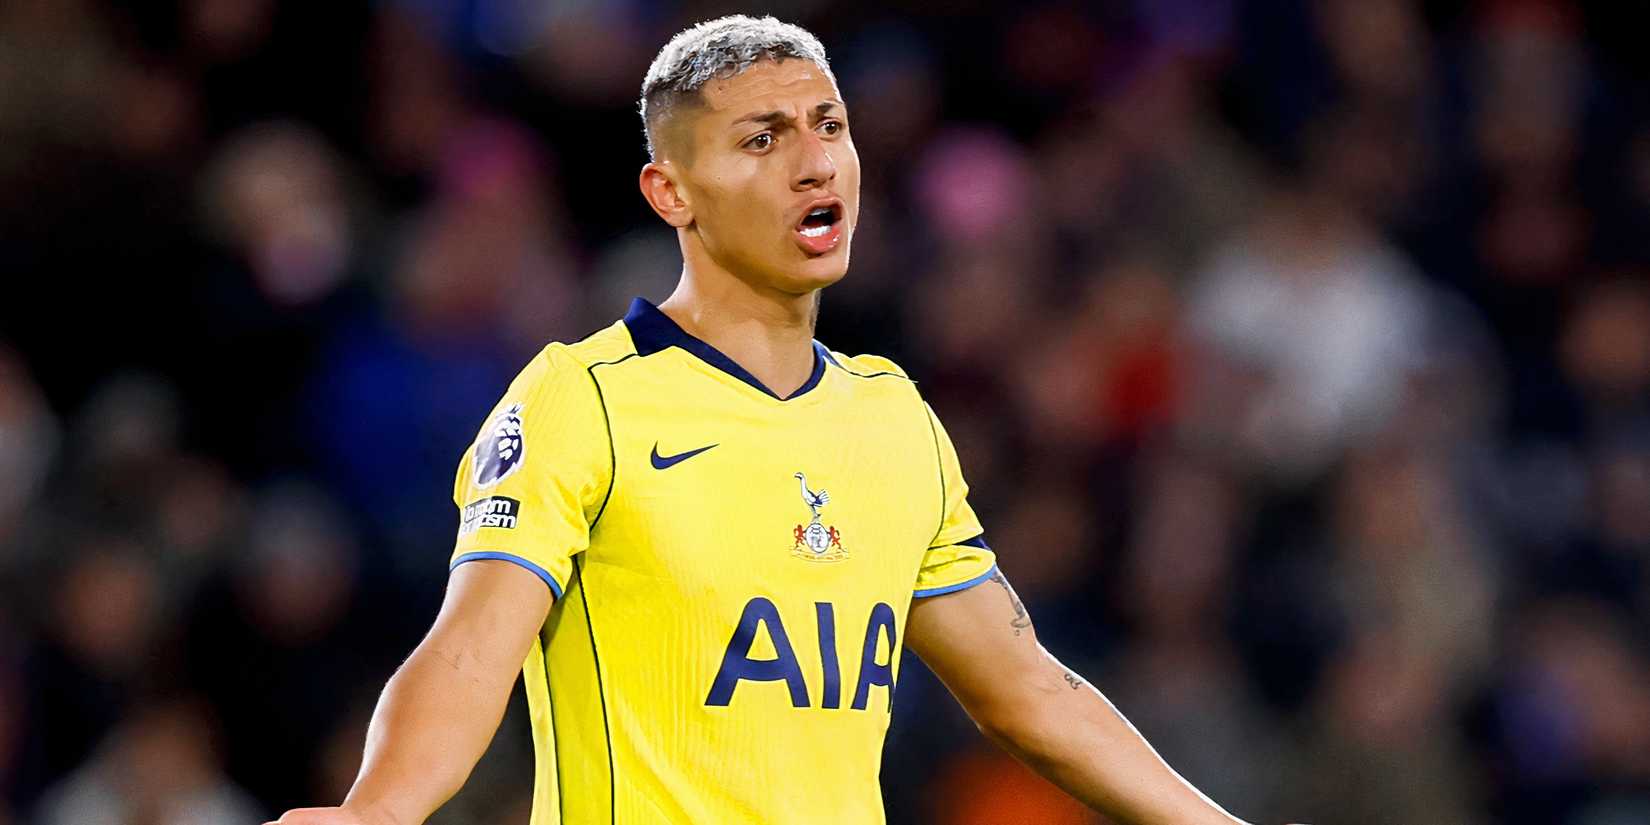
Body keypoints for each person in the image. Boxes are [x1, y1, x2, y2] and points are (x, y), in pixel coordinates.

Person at [270, 15, 1273, 825]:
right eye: (763, 139)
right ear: (672, 192)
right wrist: (380, 810)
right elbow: (471, 645)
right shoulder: (583, 399)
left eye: (829, 127)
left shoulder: (894, 421)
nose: (815, 163)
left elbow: (1029, 692)